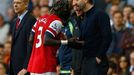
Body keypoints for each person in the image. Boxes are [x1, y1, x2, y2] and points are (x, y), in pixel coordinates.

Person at [27, 0, 84, 75]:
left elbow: (30, 39)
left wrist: (39, 50)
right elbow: (46, 40)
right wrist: (66, 42)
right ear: (64, 11)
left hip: (34, 65)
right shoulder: (57, 21)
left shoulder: (40, 19)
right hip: (46, 65)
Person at [72, 0, 112, 75]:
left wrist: (99, 57)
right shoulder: (83, 17)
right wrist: (67, 42)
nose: (75, 3)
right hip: (85, 62)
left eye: (77, 0)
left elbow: (107, 37)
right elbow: (85, 41)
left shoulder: (100, 14)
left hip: (96, 62)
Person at [10, 0, 36, 75]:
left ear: (26, 4)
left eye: (18, 3)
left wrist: (26, 67)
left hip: (24, 67)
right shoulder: (15, 21)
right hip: (14, 65)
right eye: (14, 3)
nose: (15, 5)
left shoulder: (31, 20)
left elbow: (31, 45)